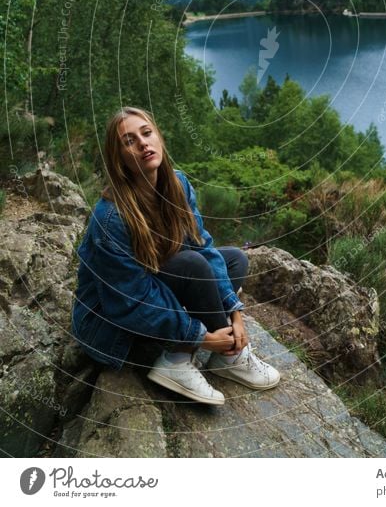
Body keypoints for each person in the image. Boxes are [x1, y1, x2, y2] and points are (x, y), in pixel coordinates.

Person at [71, 105, 280, 405]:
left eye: (147, 133)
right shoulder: (110, 218)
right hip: (109, 322)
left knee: (234, 258)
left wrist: (236, 314)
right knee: (192, 265)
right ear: (118, 159)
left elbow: (202, 246)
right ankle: (178, 360)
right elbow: (129, 301)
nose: (143, 143)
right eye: (129, 141)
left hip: (151, 288)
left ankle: (225, 356)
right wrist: (201, 338)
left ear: (159, 138)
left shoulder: (177, 184)